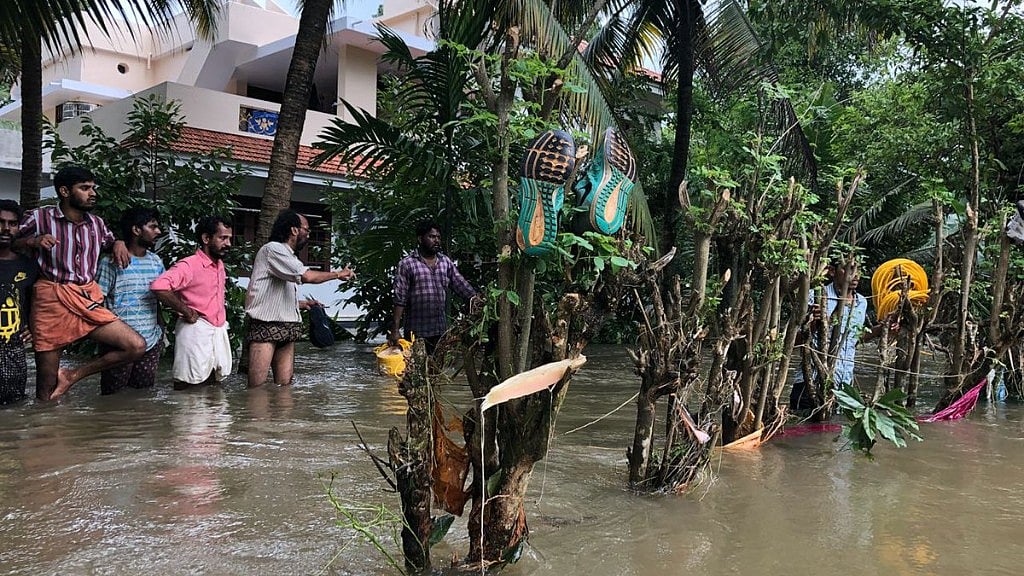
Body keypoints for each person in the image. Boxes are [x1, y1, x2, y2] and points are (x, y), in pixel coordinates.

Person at [14, 166, 145, 401]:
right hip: (51, 299)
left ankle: (73, 375)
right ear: (64, 191)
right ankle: (46, 434)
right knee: (46, 387)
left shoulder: (97, 224)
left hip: (86, 298)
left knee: (134, 346)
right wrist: (33, 241)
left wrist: (118, 243)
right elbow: (10, 243)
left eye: (93, 187)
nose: (92, 193)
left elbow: (109, 241)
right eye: (85, 188)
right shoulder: (39, 217)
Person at [244, 209, 354, 387]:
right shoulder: (273, 249)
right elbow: (307, 276)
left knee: (284, 387)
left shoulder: (288, 255)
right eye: (306, 230)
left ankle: (282, 416)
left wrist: (302, 304)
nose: (308, 235)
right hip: (266, 326)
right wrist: (338, 274)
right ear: (294, 230)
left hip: (287, 326)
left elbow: (274, 293)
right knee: (257, 389)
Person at [151, 215, 233, 390]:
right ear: (206, 238)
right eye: (223, 238)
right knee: (188, 385)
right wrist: (186, 311)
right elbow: (159, 287)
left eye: (229, 239)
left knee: (213, 387)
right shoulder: (189, 265)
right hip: (195, 331)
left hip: (216, 331)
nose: (228, 244)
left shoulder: (219, 265)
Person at [790, 258, 884, 411]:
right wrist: (814, 324)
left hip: (844, 387)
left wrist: (880, 329)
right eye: (849, 269)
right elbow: (794, 341)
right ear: (832, 271)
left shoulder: (861, 302)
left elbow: (854, 339)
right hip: (811, 383)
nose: (855, 275)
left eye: (858, 270)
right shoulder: (816, 297)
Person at [96, 207, 165, 394]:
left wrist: (161, 331)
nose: (158, 231)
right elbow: (97, 302)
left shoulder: (156, 262)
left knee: (143, 396)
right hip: (119, 342)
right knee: (113, 396)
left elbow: (158, 298)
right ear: (136, 230)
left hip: (151, 340)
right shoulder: (109, 262)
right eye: (153, 227)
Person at [389, 220, 480, 354]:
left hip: (439, 330)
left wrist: (478, 300)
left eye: (438, 237)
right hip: (416, 331)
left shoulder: (445, 262)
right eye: (432, 237)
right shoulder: (407, 264)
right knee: (416, 369)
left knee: (437, 369)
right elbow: (400, 298)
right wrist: (395, 330)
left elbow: (461, 285)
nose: (436, 240)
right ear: (420, 239)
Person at [0, 200, 39, 404]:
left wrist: (31, 328)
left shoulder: (29, 266)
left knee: (15, 408)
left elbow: (34, 304)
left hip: (14, 352)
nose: (6, 228)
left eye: (12, 223)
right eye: (0, 222)